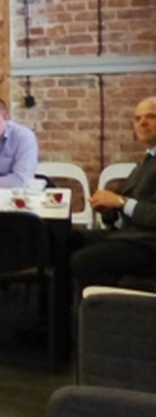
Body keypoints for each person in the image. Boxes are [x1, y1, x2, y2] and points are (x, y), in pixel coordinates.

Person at [70, 97, 156, 288]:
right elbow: (128, 209)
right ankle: (57, 305)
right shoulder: (147, 159)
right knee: (67, 240)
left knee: (84, 260)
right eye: (138, 118)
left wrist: (121, 202)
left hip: (148, 243)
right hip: (132, 235)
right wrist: (110, 212)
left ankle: (109, 305)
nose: (142, 123)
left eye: (151, 116)